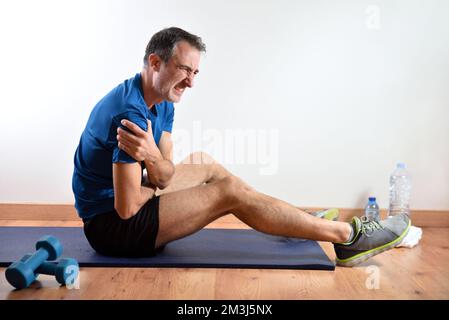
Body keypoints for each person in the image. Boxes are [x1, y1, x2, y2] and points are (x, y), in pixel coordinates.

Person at [72, 27, 410, 267]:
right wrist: (152, 176)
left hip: (132, 200)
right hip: (113, 229)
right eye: (184, 69)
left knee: (204, 162)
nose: (191, 81)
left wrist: (151, 163)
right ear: (156, 63)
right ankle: (347, 237)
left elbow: (164, 175)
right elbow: (128, 208)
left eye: (195, 72)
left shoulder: (163, 100)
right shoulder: (129, 114)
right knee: (227, 192)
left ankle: (300, 222)